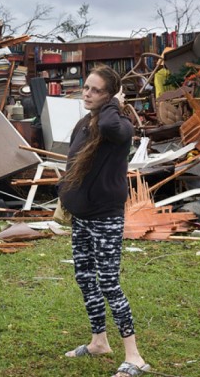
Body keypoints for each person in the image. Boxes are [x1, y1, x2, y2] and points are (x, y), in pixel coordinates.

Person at [58, 65, 150, 377]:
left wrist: (115, 102)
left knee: (109, 282)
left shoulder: (118, 124)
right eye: (86, 87)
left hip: (105, 218)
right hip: (83, 217)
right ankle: (99, 341)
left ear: (109, 95)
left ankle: (135, 357)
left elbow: (112, 124)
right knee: (84, 277)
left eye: (96, 90)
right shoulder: (86, 122)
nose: (87, 93)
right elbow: (73, 161)